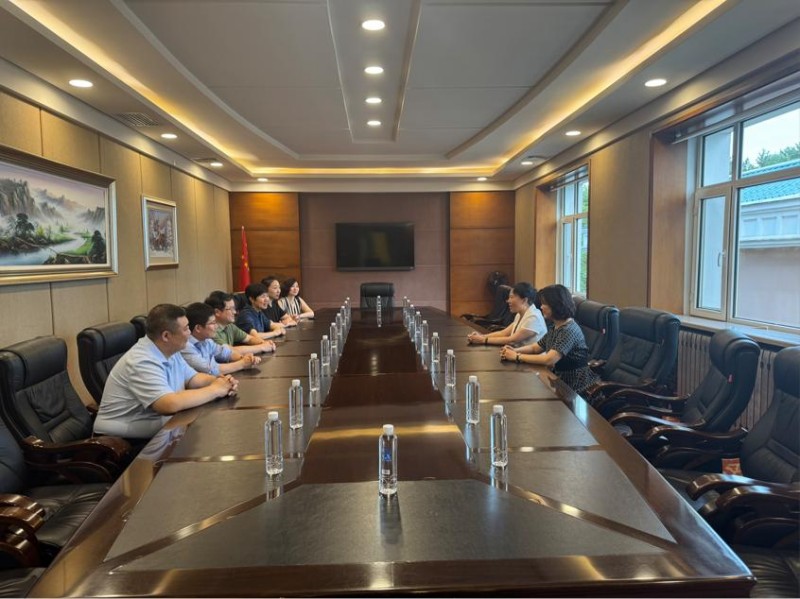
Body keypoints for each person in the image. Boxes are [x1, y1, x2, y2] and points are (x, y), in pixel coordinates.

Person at [93, 304, 237, 439]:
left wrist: (219, 381)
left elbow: (192, 378)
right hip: (121, 439)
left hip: (158, 422)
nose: (190, 333)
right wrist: (215, 390)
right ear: (166, 336)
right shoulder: (141, 360)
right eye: (186, 329)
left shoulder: (170, 350)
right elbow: (169, 404)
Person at [500, 284, 600, 396]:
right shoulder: (556, 327)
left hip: (576, 389)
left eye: (544, 304)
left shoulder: (569, 330)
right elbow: (535, 348)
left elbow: (549, 359)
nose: (541, 307)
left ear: (556, 305)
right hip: (559, 382)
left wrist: (516, 357)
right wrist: (514, 351)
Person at [181, 302, 262, 375]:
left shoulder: (207, 341)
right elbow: (210, 370)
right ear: (198, 328)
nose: (216, 326)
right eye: (212, 323)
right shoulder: (186, 346)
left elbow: (226, 353)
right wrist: (242, 364)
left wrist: (244, 358)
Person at [467, 282, 546, 347]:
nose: (508, 301)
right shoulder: (520, 314)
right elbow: (503, 333)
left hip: (532, 360)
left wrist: (483, 340)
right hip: (519, 354)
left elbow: (512, 340)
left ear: (524, 300)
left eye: (511, 297)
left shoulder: (533, 318)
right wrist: (481, 336)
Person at [205, 290, 275, 354]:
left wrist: (264, 343)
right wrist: (261, 347)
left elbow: (249, 339)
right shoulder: (210, 331)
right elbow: (230, 351)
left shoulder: (229, 326)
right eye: (231, 309)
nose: (235, 312)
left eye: (234, 308)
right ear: (217, 312)